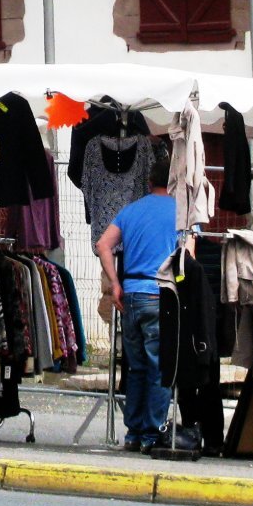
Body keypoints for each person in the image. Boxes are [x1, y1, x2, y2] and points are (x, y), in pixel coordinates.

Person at [95, 153, 177, 451]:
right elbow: (188, 254)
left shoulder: (130, 211)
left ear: (150, 181)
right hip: (161, 293)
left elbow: (103, 244)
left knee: (137, 366)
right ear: (174, 182)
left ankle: (133, 432)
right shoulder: (181, 212)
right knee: (159, 367)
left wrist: (115, 283)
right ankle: (152, 433)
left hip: (130, 292)